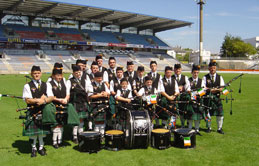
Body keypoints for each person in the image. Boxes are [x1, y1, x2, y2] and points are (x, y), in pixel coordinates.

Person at [22, 65, 55, 157]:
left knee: (42, 132)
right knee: (33, 134)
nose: (36, 75)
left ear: (41, 73)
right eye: (35, 73)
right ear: (31, 74)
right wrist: (38, 100)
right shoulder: (27, 86)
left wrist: (44, 101)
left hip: (44, 111)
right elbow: (27, 100)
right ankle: (33, 148)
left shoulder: (47, 85)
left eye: (38, 73)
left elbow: (51, 97)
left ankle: (41, 147)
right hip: (33, 111)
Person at [49, 68, 79, 148]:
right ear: (53, 76)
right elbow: (50, 96)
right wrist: (59, 100)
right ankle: (54, 142)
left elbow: (68, 93)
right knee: (56, 126)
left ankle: (60, 141)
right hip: (54, 106)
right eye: (57, 75)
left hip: (64, 105)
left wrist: (66, 99)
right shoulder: (49, 84)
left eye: (61, 75)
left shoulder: (64, 82)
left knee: (61, 125)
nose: (59, 77)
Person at [67, 64, 91, 144]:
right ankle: (74, 136)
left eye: (79, 72)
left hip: (83, 102)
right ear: (73, 73)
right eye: (76, 73)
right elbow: (67, 93)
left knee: (81, 120)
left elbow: (89, 92)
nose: (78, 74)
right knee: (75, 121)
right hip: (74, 103)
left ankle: (80, 135)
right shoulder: (69, 81)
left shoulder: (86, 81)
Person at [203, 60, 225, 134]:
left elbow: (222, 88)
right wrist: (211, 90)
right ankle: (209, 127)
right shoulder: (205, 77)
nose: (213, 69)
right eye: (211, 68)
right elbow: (204, 88)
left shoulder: (220, 77)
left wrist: (215, 90)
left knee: (220, 114)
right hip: (208, 99)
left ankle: (219, 128)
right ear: (209, 68)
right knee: (207, 114)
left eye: (214, 68)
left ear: (216, 68)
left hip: (217, 98)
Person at [89, 71, 111, 136]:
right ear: (94, 78)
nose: (100, 79)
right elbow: (90, 96)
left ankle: (102, 135)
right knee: (96, 122)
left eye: (101, 78)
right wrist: (100, 95)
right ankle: (96, 135)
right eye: (98, 78)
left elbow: (108, 93)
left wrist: (106, 93)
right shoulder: (91, 85)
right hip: (95, 105)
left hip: (103, 105)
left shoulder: (104, 84)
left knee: (102, 122)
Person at [187, 65, 206, 135]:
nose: (196, 74)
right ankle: (189, 130)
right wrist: (196, 92)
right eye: (194, 72)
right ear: (191, 73)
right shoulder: (188, 80)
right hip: (191, 101)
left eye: (197, 73)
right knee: (191, 116)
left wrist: (196, 93)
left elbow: (203, 90)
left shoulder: (201, 81)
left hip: (199, 100)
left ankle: (197, 130)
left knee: (198, 116)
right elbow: (188, 90)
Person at [172, 64, 191, 128]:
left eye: (179, 69)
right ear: (174, 70)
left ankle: (183, 125)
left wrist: (183, 88)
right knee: (173, 112)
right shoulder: (171, 78)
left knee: (182, 112)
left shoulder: (185, 77)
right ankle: (172, 126)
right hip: (174, 97)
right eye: (176, 69)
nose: (177, 70)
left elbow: (188, 88)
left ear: (181, 70)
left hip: (183, 97)